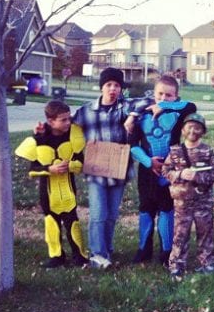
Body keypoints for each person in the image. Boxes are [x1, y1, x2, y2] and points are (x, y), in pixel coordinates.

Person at [73, 67, 148, 268]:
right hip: (97, 171)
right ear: (101, 87)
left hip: (118, 170)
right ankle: (97, 254)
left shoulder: (124, 107)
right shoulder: (86, 111)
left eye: (117, 85)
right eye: (108, 85)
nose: (113, 89)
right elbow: (67, 128)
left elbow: (147, 101)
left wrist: (132, 116)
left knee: (112, 214)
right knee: (98, 213)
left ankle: (107, 249)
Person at [128, 74, 196, 265]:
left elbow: (191, 107)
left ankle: (167, 252)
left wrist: (164, 106)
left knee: (167, 209)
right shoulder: (141, 114)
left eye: (169, 95)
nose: (164, 98)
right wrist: (148, 161)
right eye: (160, 94)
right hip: (147, 169)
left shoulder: (177, 113)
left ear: (176, 97)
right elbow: (132, 143)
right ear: (153, 93)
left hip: (170, 170)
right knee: (146, 209)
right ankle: (144, 249)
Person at [15, 100, 88, 268]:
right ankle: (56, 256)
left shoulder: (73, 135)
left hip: (68, 190)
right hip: (47, 193)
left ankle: (80, 255)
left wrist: (70, 166)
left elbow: (81, 163)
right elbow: (32, 170)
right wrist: (50, 169)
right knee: (51, 223)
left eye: (69, 118)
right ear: (50, 121)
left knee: (73, 223)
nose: (68, 123)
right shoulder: (39, 139)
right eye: (63, 120)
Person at [162, 113, 214, 277]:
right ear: (182, 130)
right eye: (189, 127)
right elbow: (165, 170)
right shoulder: (175, 151)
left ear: (203, 131)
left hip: (203, 202)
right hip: (182, 202)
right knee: (180, 234)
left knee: (206, 233)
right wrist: (180, 174)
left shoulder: (208, 151)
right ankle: (176, 265)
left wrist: (197, 177)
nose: (193, 131)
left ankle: (207, 263)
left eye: (197, 128)